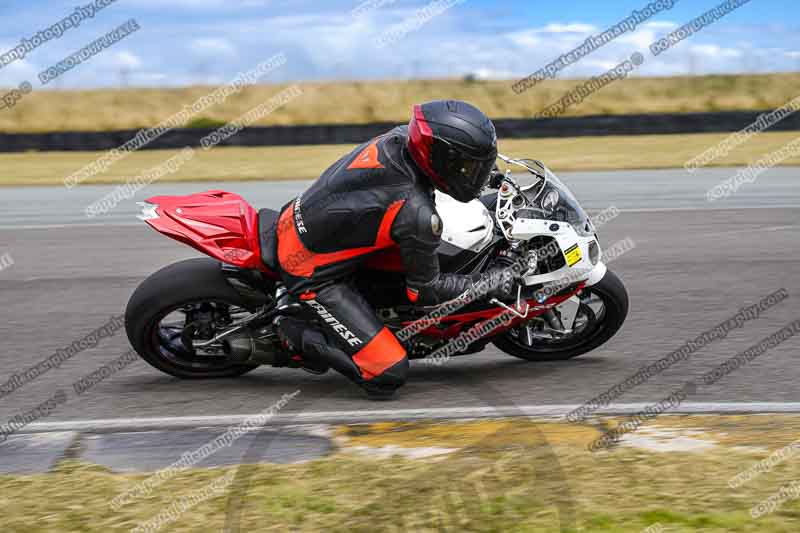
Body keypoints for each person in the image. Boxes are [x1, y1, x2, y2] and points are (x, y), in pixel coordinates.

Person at [273, 99, 516, 399]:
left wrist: (483, 176)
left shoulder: (402, 138)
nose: (475, 174)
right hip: (310, 269)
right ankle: (295, 332)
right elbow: (426, 291)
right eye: (469, 167)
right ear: (442, 159)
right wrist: (487, 283)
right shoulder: (416, 214)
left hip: (306, 219)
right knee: (388, 372)